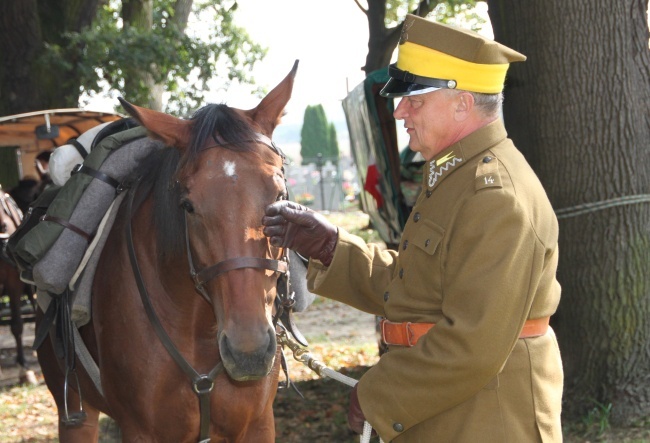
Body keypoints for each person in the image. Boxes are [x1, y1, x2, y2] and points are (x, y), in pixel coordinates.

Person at [263, 14, 563, 443]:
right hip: (454, 410)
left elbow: (473, 345)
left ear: (462, 102)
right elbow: (420, 286)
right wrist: (330, 247)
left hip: (486, 420)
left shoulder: (496, 196)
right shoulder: (457, 176)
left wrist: (381, 395)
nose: (400, 111)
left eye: (415, 100)